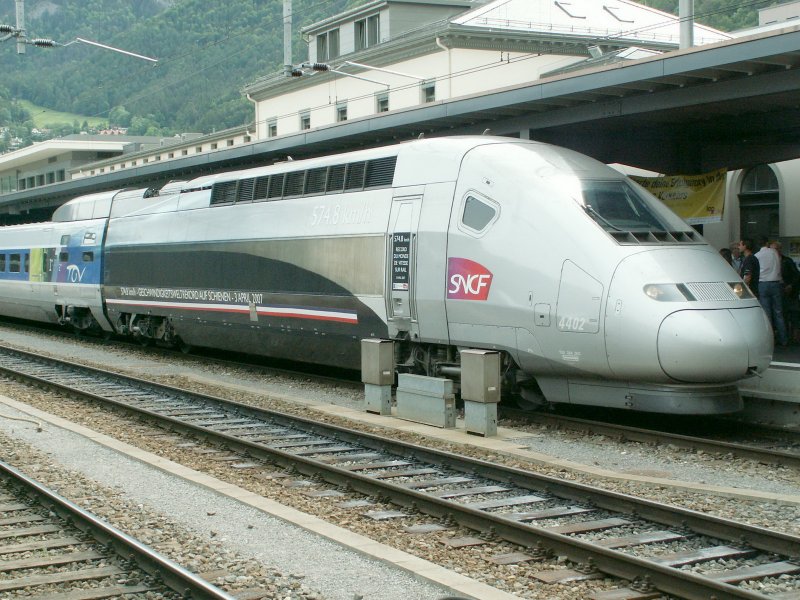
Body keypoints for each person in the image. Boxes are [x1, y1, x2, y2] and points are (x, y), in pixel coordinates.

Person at [755, 237, 788, 346]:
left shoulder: (757, 256)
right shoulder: (774, 253)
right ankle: (784, 339)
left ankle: (770, 340)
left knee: (767, 313)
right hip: (776, 283)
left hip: (763, 283)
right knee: (778, 312)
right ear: (767, 243)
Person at [772, 241, 800, 343]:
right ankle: (783, 335)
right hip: (777, 290)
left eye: (775, 249)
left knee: (792, 313)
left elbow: (796, 276)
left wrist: (791, 285)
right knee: (781, 313)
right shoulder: (771, 261)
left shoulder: (786, 261)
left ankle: (794, 336)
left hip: (788, 290)